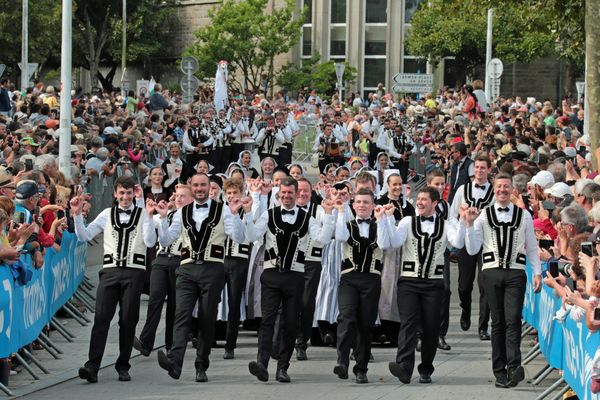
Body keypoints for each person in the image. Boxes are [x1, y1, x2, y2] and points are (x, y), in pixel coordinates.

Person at [153, 173, 247, 382]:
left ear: (210, 187)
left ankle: (201, 364)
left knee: (206, 318)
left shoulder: (223, 210)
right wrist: (162, 218)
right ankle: (175, 362)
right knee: (181, 315)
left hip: (212, 269)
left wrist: (234, 214)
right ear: (191, 187)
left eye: (203, 185)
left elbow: (239, 238)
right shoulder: (181, 212)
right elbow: (168, 239)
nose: (199, 189)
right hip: (186, 269)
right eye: (195, 185)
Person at [244, 177, 336, 383]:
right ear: (278, 195)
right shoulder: (269, 215)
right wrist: (249, 212)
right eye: (283, 193)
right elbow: (251, 236)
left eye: (290, 193)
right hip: (271, 275)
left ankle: (282, 368)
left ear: (296, 194)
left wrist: (329, 215)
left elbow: (322, 239)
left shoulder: (307, 218)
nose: (286, 196)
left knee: (290, 322)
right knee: (267, 321)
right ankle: (262, 363)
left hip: (295, 276)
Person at [71, 176, 157, 383]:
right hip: (110, 271)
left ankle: (123, 365)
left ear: (133, 193)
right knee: (101, 318)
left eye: (129, 193)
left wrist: (150, 217)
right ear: (115, 194)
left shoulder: (143, 214)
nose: (125, 197)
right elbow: (84, 236)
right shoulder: (107, 214)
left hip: (134, 273)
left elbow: (150, 241)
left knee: (128, 320)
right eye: (122, 193)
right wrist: (76, 215)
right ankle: (92, 366)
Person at [463, 172, 542, 389]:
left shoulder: (523, 216)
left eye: (506, 187)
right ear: (494, 190)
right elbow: (472, 249)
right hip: (490, 272)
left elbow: (532, 247)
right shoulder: (483, 215)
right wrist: (469, 226)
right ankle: (500, 371)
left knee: (513, 318)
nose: (502, 191)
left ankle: (514, 367)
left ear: (512, 190)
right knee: (497, 322)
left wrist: (537, 272)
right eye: (499, 187)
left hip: (516, 272)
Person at [387, 186, 466, 385]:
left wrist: (464, 221)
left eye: (424, 199)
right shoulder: (407, 221)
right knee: (408, 323)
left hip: (433, 283)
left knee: (431, 327)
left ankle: (426, 368)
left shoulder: (446, 225)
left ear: (435, 204)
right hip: (409, 281)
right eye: (418, 198)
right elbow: (394, 242)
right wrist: (387, 219)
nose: (419, 202)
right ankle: (404, 367)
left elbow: (457, 242)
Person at [332, 190, 391, 384]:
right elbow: (340, 237)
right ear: (353, 205)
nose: (362, 205)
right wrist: (341, 211)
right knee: (346, 316)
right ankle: (342, 361)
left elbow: (383, 244)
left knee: (365, 324)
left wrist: (382, 219)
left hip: (371, 279)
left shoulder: (378, 225)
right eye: (358, 202)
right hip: (349, 278)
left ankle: (361, 368)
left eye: (366, 202)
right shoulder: (347, 224)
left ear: (373, 206)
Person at [133, 184, 193, 357]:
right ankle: (146, 342)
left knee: (175, 305)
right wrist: (149, 209)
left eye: (183, 196)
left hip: (180, 260)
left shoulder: (192, 216)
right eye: (177, 195)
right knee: (155, 299)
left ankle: (171, 345)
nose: (179, 198)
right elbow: (145, 222)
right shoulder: (167, 214)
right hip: (161, 259)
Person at [450, 155, 494, 340]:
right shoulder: (463, 189)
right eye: (476, 167)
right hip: (466, 241)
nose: (479, 171)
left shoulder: (494, 192)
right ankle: (465, 309)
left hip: (486, 243)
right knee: (463, 285)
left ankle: (483, 326)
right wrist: (457, 234)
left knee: (485, 285)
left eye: (483, 168)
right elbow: (452, 215)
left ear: (489, 170)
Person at [221, 178, 253, 359]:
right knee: (212, 300)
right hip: (219, 260)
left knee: (234, 302)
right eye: (229, 193)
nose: (232, 196)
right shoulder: (220, 210)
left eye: (235, 193)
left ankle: (230, 344)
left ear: (242, 194)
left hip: (238, 260)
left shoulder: (246, 211)